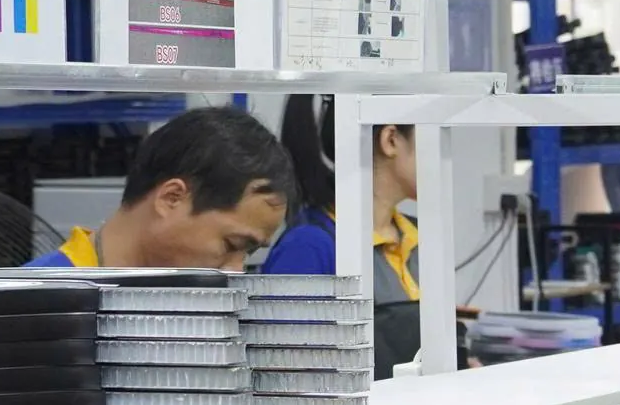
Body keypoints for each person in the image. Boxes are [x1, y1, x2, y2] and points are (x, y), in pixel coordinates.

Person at [265, 95, 421, 377]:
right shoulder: (308, 248)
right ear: (391, 140)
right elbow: (285, 375)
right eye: (431, 139)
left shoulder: (418, 236)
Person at [33, 105, 294, 272]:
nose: (235, 271)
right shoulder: (36, 307)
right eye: (231, 245)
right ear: (172, 198)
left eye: (248, 254)